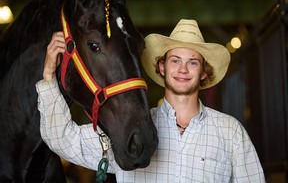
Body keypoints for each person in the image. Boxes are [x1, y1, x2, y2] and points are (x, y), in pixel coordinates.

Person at [36, 19, 265, 182]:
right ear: (162, 67)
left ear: (204, 72)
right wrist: (48, 75)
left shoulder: (230, 132)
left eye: (193, 62)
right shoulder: (129, 129)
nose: (183, 69)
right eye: (175, 60)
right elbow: (63, 138)